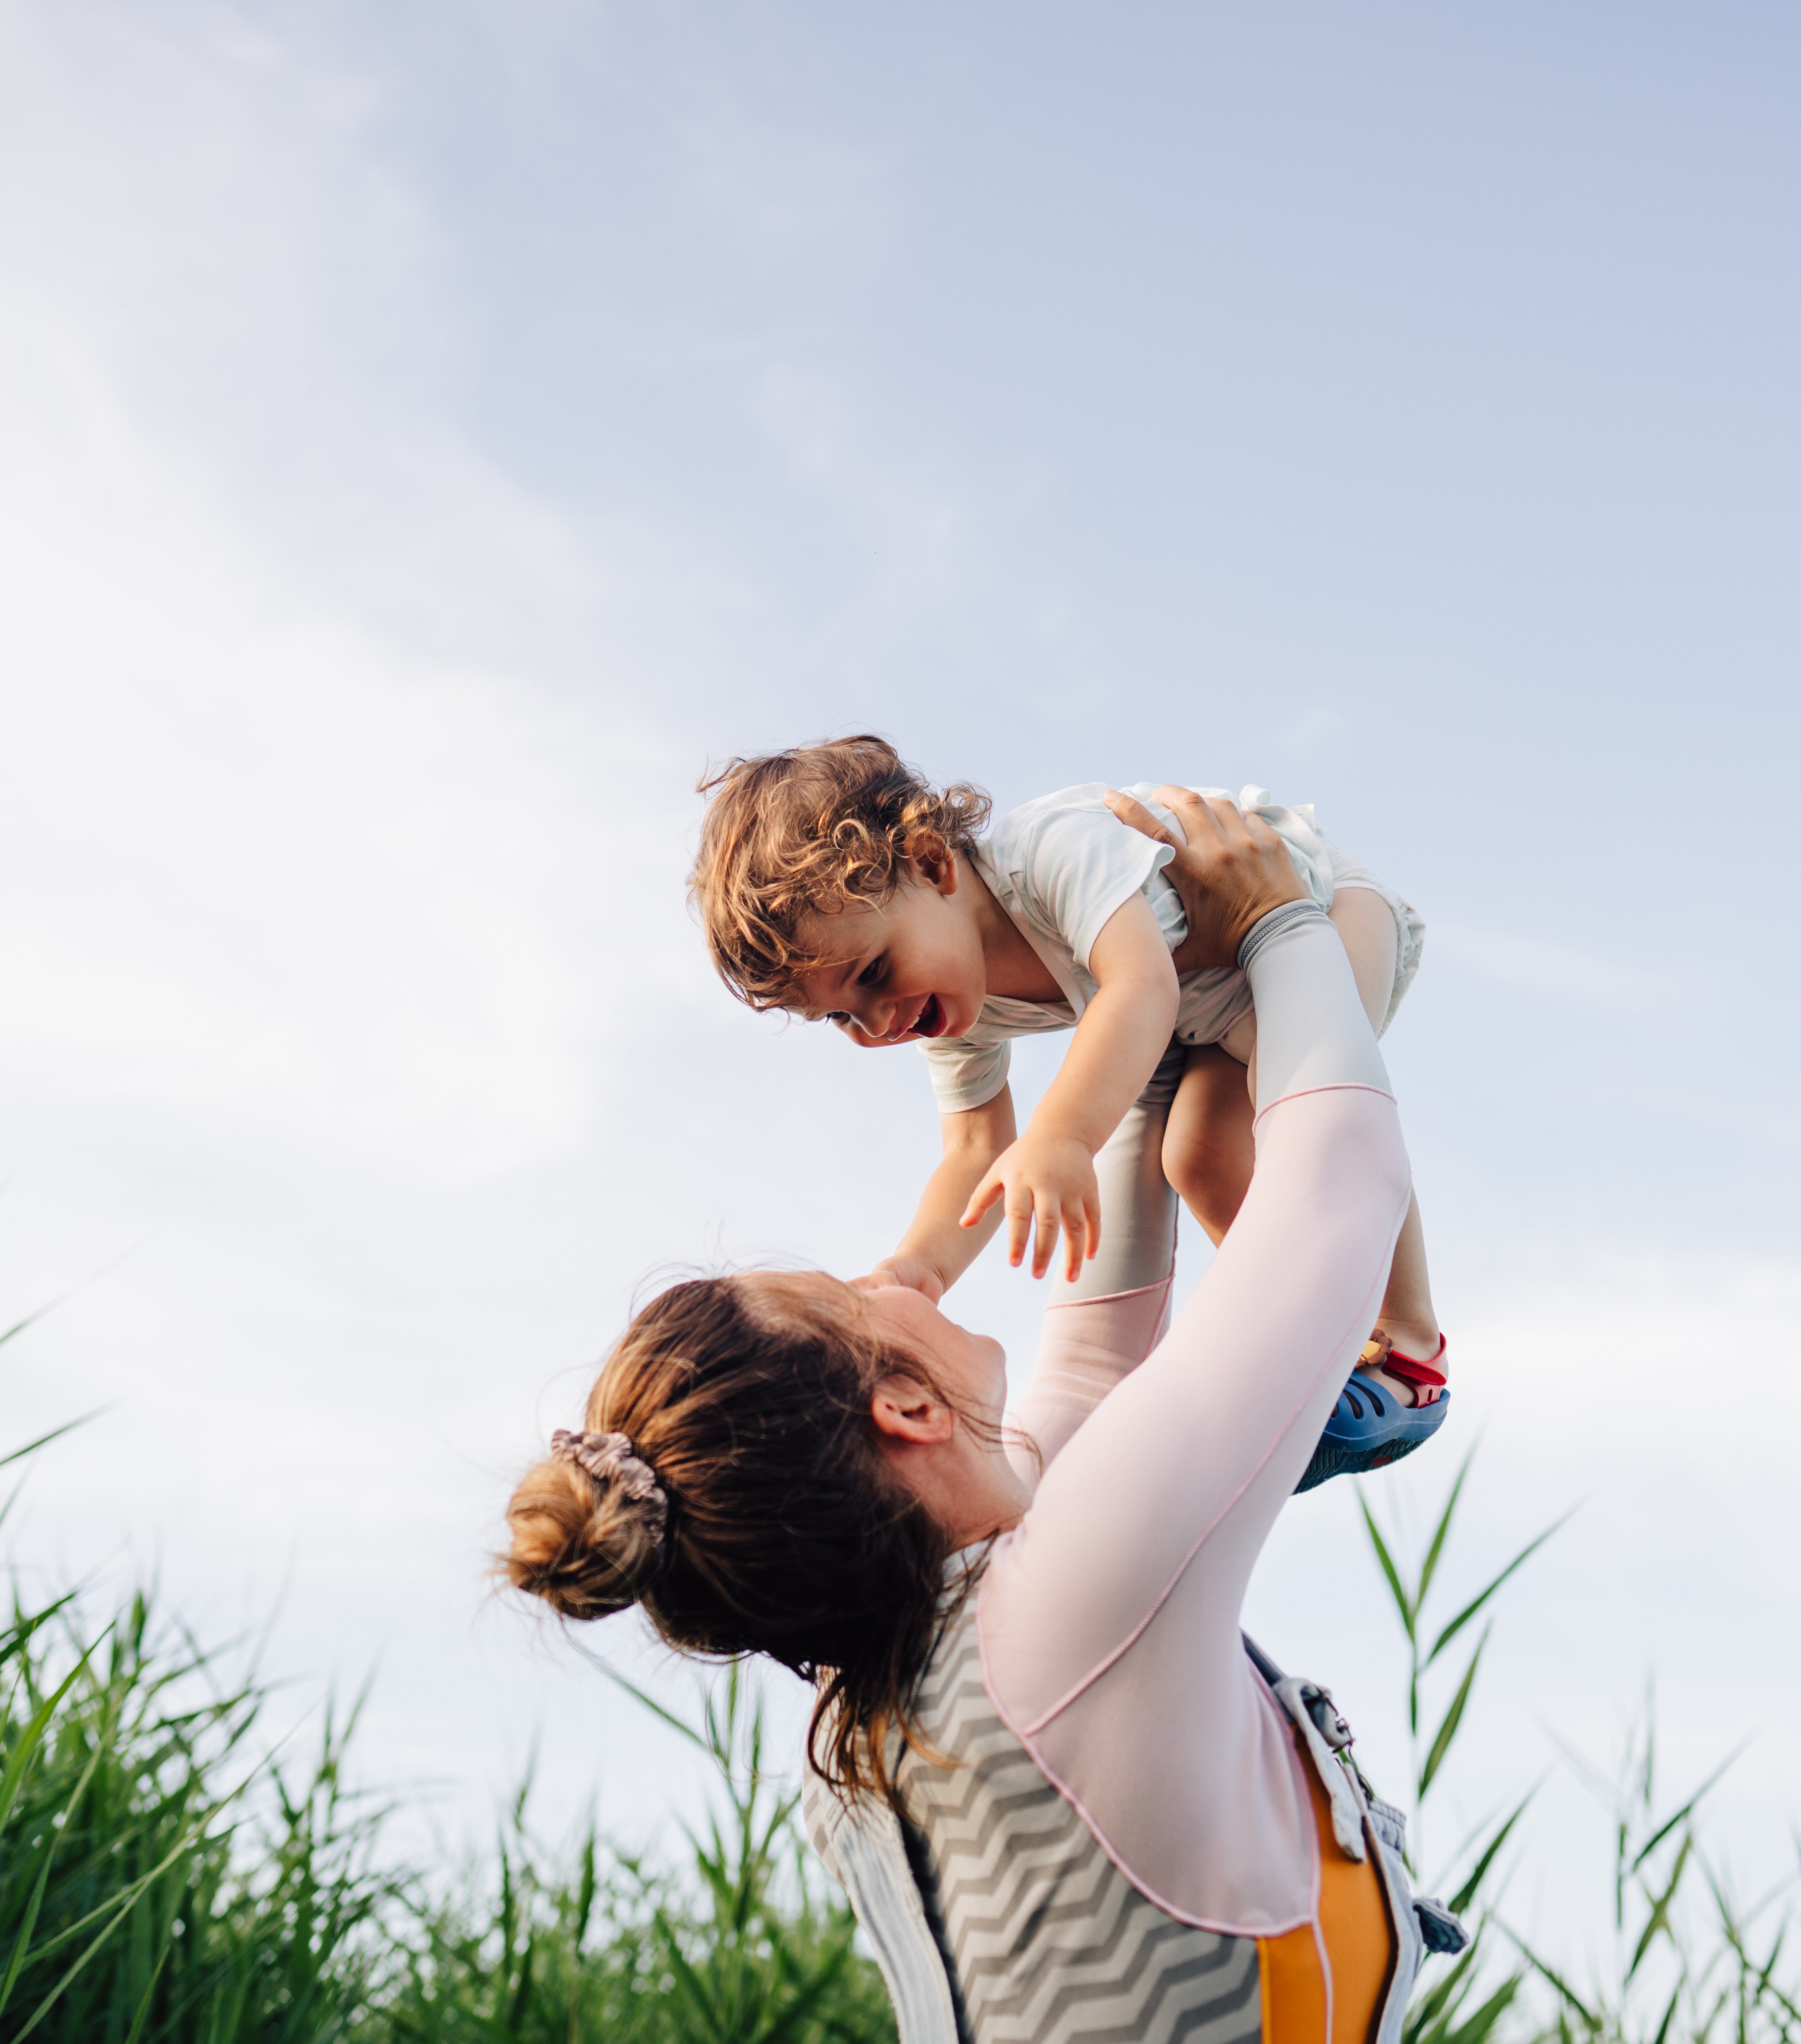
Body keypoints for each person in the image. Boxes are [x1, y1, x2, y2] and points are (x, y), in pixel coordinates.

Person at [504, 791, 1454, 2040]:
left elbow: (1099, 1346)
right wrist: (1281, 923)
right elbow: (1337, 1192)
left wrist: (1147, 1030)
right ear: (903, 1405)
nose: (892, 1276)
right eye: (853, 1293)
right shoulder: (1065, 1612)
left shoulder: (901, 1688)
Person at [688, 736, 1446, 1488]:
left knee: (1312, 1105)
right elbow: (975, 1149)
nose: (878, 1022)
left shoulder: (1050, 852)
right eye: (841, 1016)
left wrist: (1064, 1136)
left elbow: (1139, 985)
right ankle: (1328, 1347)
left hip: (1319, 907)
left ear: (931, 863)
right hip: (1224, 1006)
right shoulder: (949, 1006)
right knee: (1199, 1155)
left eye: (874, 973)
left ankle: (1410, 1343)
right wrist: (918, 1267)